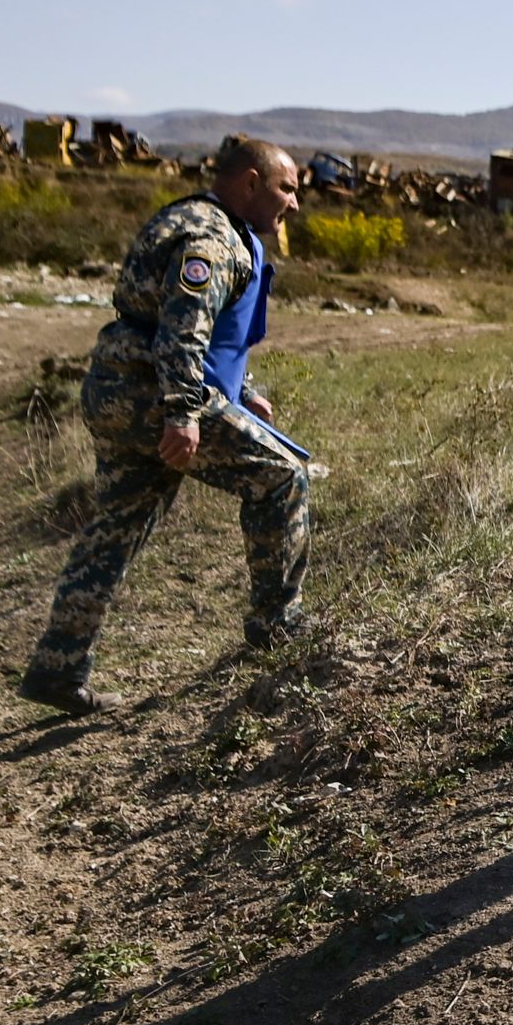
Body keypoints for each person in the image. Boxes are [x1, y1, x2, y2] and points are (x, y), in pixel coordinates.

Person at [20, 136, 313, 715]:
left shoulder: (194, 217)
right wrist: (184, 413)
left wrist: (242, 393)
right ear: (251, 183)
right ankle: (277, 627)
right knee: (283, 478)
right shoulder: (213, 238)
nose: (294, 204)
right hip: (153, 396)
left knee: (116, 528)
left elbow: (194, 327)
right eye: (287, 188)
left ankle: (57, 668)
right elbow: (182, 332)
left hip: (118, 390)